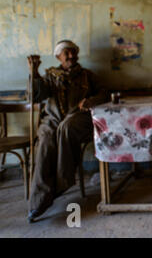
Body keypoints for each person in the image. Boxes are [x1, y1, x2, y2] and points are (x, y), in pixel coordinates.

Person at [27, 40, 108, 223]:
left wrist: (91, 101)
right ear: (58, 57)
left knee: (66, 128)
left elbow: (104, 93)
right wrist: (34, 72)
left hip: (76, 119)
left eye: (73, 52)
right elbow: (35, 96)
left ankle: (61, 184)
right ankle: (38, 203)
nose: (71, 56)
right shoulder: (50, 76)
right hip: (52, 120)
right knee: (45, 145)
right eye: (67, 53)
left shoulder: (86, 76)